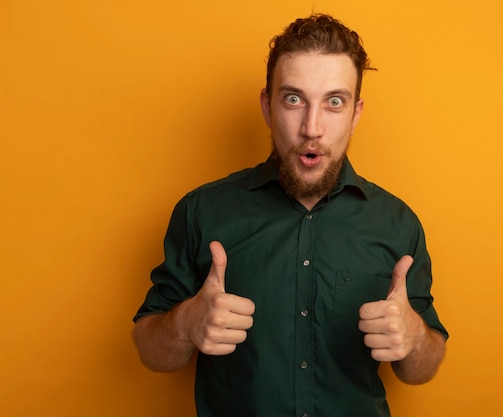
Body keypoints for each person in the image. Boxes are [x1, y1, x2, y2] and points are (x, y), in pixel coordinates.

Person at [133, 13, 448, 417]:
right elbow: (150, 350)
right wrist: (184, 324)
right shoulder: (201, 212)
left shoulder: (398, 223)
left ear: (355, 114)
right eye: (293, 99)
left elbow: (423, 368)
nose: (312, 128)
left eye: (334, 102)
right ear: (267, 107)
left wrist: (416, 339)